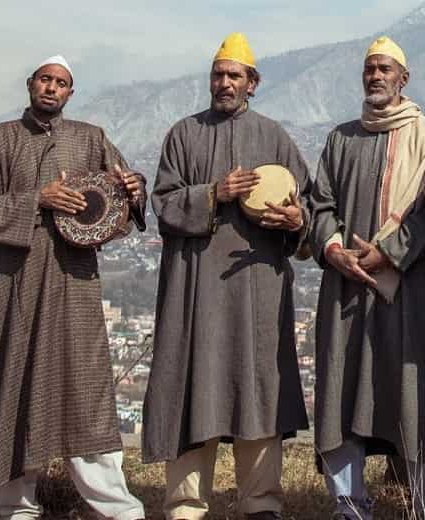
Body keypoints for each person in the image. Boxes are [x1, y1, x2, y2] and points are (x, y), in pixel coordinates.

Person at [0, 55, 147, 520]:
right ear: (30, 84)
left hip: (74, 286)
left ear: (70, 93)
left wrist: (134, 189)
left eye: (61, 83)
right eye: (45, 79)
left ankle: (117, 508)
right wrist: (35, 200)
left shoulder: (90, 138)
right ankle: (14, 505)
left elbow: (119, 197)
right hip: (13, 287)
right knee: (12, 387)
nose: (52, 88)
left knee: (86, 393)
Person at [142, 33, 310, 520]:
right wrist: (214, 193)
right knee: (191, 388)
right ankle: (186, 506)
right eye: (218, 74)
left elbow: (309, 211)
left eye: (234, 75)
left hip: (257, 292)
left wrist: (297, 222)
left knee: (257, 390)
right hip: (195, 294)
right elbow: (164, 205)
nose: (224, 83)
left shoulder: (275, 137)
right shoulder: (183, 134)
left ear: (252, 83)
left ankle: (261, 504)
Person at [309, 36, 425, 520]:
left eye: (385, 68)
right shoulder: (341, 139)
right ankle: (350, 507)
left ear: (403, 78)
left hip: (408, 292)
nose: (375, 76)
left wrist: (388, 253)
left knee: (417, 397)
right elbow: (320, 204)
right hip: (346, 289)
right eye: (370, 68)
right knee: (342, 395)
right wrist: (335, 250)